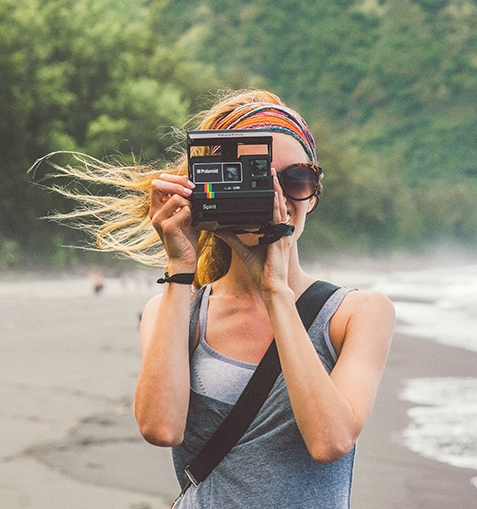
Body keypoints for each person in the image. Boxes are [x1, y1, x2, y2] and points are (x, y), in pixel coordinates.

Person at [51, 89, 395, 508]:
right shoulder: (175, 311)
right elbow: (160, 428)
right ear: (212, 186)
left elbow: (331, 441)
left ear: (314, 194)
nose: (276, 197)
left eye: (296, 179)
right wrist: (180, 266)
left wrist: (276, 294)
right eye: (255, 177)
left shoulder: (357, 314)